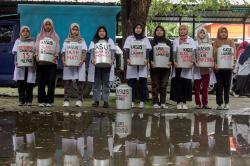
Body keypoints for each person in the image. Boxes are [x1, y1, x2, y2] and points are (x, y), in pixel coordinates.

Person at [123, 23, 152, 108]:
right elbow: (127, 49)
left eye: (140, 28)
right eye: (137, 28)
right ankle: (131, 101)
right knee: (131, 83)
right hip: (132, 64)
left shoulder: (145, 39)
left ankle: (142, 101)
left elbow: (147, 50)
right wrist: (128, 59)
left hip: (142, 64)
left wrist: (147, 59)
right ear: (134, 29)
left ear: (142, 30)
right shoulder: (130, 38)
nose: (138, 29)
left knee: (143, 83)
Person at [88, 26, 116, 108]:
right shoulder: (94, 41)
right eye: (100, 31)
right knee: (96, 83)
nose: (102, 32)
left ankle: (105, 101)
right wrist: (93, 60)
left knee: (106, 83)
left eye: (103, 31)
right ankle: (96, 101)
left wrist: (112, 60)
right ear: (98, 32)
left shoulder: (109, 40)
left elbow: (112, 52)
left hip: (107, 65)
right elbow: (92, 52)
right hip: (96, 65)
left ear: (105, 32)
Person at [170, 24, 196, 110]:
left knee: (186, 83)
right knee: (178, 83)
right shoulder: (176, 41)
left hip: (187, 65)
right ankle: (178, 102)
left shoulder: (191, 40)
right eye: (180, 29)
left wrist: (192, 62)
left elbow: (193, 52)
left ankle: (184, 102)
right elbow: (173, 53)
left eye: (184, 29)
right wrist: (174, 62)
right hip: (178, 66)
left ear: (187, 30)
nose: (182, 31)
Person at [35, 18, 60, 107]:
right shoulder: (39, 36)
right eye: (46, 24)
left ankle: (50, 101)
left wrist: (56, 56)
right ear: (43, 26)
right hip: (41, 63)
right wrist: (37, 56)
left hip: (52, 63)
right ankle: (41, 100)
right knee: (41, 82)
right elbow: (36, 47)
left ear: (52, 26)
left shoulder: (55, 36)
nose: (48, 26)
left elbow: (57, 47)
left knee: (51, 82)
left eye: (49, 24)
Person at [61, 23, 87, 107]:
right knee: (67, 83)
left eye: (76, 29)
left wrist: (82, 60)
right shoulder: (66, 40)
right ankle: (66, 100)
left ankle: (79, 100)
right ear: (70, 30)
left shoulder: (82, 40)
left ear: (78, 31)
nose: (75, 31)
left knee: (79, 82)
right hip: (69, 65)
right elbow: (63, 52)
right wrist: (63, 60)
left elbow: (84, 51)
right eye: (73, 29)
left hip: (79, 64)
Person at [149, 25, 173, 109]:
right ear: (155, 32)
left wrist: (170, 61)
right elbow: (149, 53)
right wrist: (150, 61)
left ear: (163, 32)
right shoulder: (152, 42)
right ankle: (155, 102)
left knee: (164, 84)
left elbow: (171, 53)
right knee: (155, 84)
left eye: (161, 30)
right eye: (157, 30)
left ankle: (163, 102)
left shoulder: (168, 42)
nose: (159, 31)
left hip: (166, 67)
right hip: (154, 66)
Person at [213, 27, 236, 110]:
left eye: (225, 32)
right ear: (218, 33)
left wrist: (233, 63)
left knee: (227, 86)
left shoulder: (231, 41)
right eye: (221, 32)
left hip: (228, 68)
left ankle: (226, 103)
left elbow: (234, 53)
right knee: (219, 86)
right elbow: (213, 55)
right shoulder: (215, 42)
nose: (223, 33)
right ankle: (219, 104)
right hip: (218, 69)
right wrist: (214, 64)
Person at [12, 26, 36, 106]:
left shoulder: (32, 41)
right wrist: (16, 62)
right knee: (21, 83)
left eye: (27, 31)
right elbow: (15, 53)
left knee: (29, 84)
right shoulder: (18, 41)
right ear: (21, 32)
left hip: (30, 66)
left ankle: (29, 100)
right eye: (23, 31)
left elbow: (35, 53)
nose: (25, 32)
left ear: (29, 32)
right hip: (20, 66)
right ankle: (21, 100)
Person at [193, 28, 215, 109]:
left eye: (203, 32)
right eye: (200, 32)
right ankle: (198, 103)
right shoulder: (195, 43)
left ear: (206, 34)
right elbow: (193, 54)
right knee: (197, 88)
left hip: (206, 69)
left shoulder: (209, 44)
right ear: (198, 34)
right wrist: (195, 62)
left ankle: (205, 103)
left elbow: (212, 55)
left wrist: (212, 61)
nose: (202, 34)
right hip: (197, 69)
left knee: (205, 87)